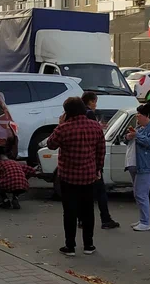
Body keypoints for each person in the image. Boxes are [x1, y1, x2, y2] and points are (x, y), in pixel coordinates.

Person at [46, 96, 105, 257]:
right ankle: (89, 245)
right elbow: (101, 150)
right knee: (88, 211)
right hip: (88, 175)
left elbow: (50, 144)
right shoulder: (95, 127)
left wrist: (60, 124)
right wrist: (98, 168)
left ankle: (70, 246)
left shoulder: (64, 128)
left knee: (69, 212)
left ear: (67, 112)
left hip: (68, 177)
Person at [81, 92, 119, 230]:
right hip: (92, 162)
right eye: (95, 102)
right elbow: (98, 143)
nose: (96, 105)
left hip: (82, 162)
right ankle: (105, 219)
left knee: (84, 193)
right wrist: (99, 166)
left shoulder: (77, 114)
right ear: (90, 102)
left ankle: (81, 219)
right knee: (100, 192)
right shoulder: (89, 114)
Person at [124, 104, 150, 232]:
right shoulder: (140, 127)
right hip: (137, 165)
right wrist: (128, 137)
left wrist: (137, 136)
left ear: (147, 116)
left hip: (146, 166)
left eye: (139, 114)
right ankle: (142, 219)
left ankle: (145, 222)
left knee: (141, 194)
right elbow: (128, 140)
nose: (137, 116)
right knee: (138, 194)